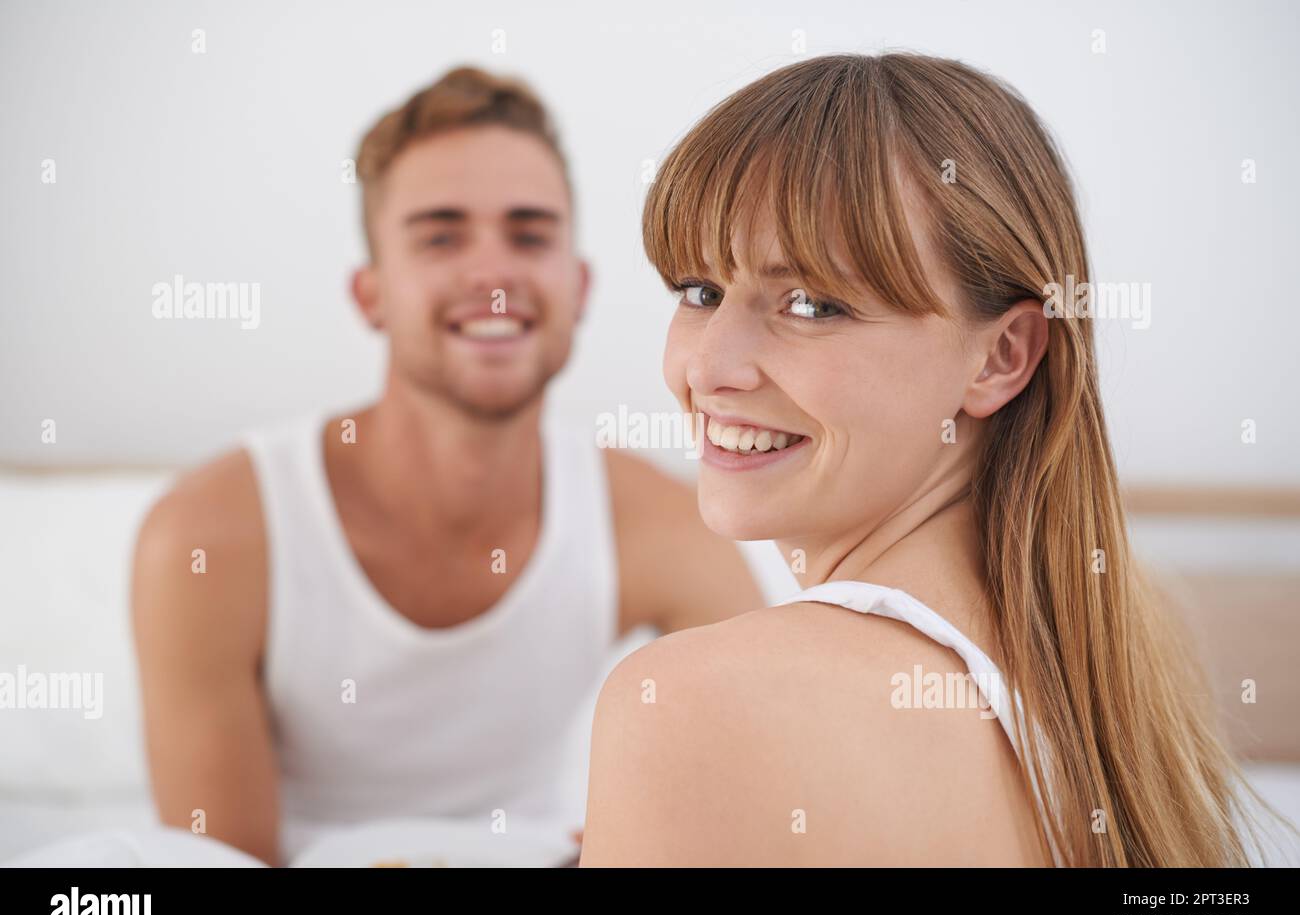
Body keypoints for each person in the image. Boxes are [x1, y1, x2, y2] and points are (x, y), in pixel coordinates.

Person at [581, 52, 1288, 866]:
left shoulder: (686, 701)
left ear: (1001, 357)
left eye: (812, 304)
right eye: (701, 291)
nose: (709, 367)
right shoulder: (1109, 685)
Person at [131, 66, 763, 866]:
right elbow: (217, 861)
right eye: (440, 236)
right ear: (371, 295)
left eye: (530, 234)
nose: (492, 274)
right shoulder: (207, 535)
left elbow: (768, 771)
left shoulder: (661, 521)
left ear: (578, 286)